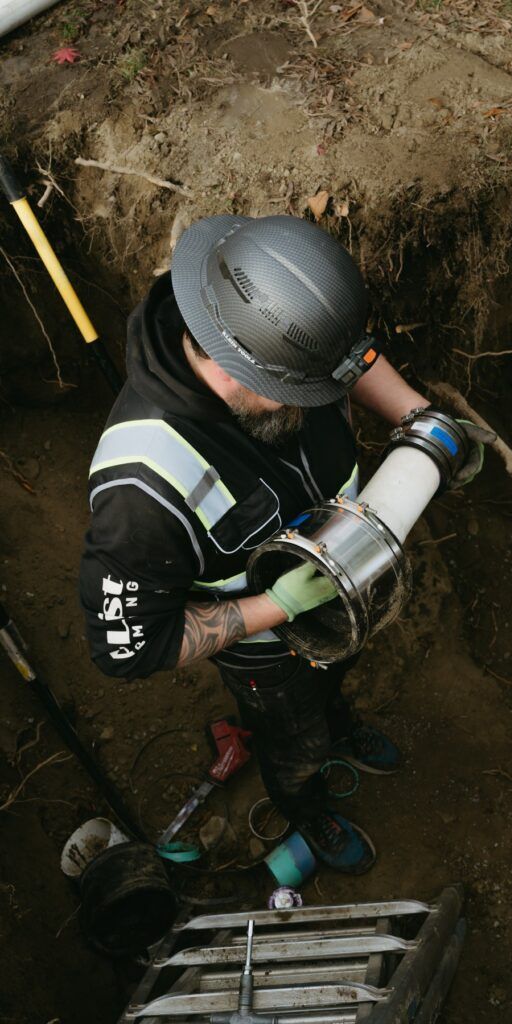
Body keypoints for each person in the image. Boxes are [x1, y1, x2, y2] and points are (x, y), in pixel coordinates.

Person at [79, 214, 486, 873]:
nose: (320, 398)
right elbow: (127, 648)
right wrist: (278, 606)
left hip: (343, 594)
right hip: (267, 655)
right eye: (301, 391)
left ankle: (339, 722)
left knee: (330, 690)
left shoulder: (275, 325)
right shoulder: (143, 491)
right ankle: (306, 805)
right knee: (293, 738)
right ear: (241, 370)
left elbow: (348, 362)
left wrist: (422, 421)